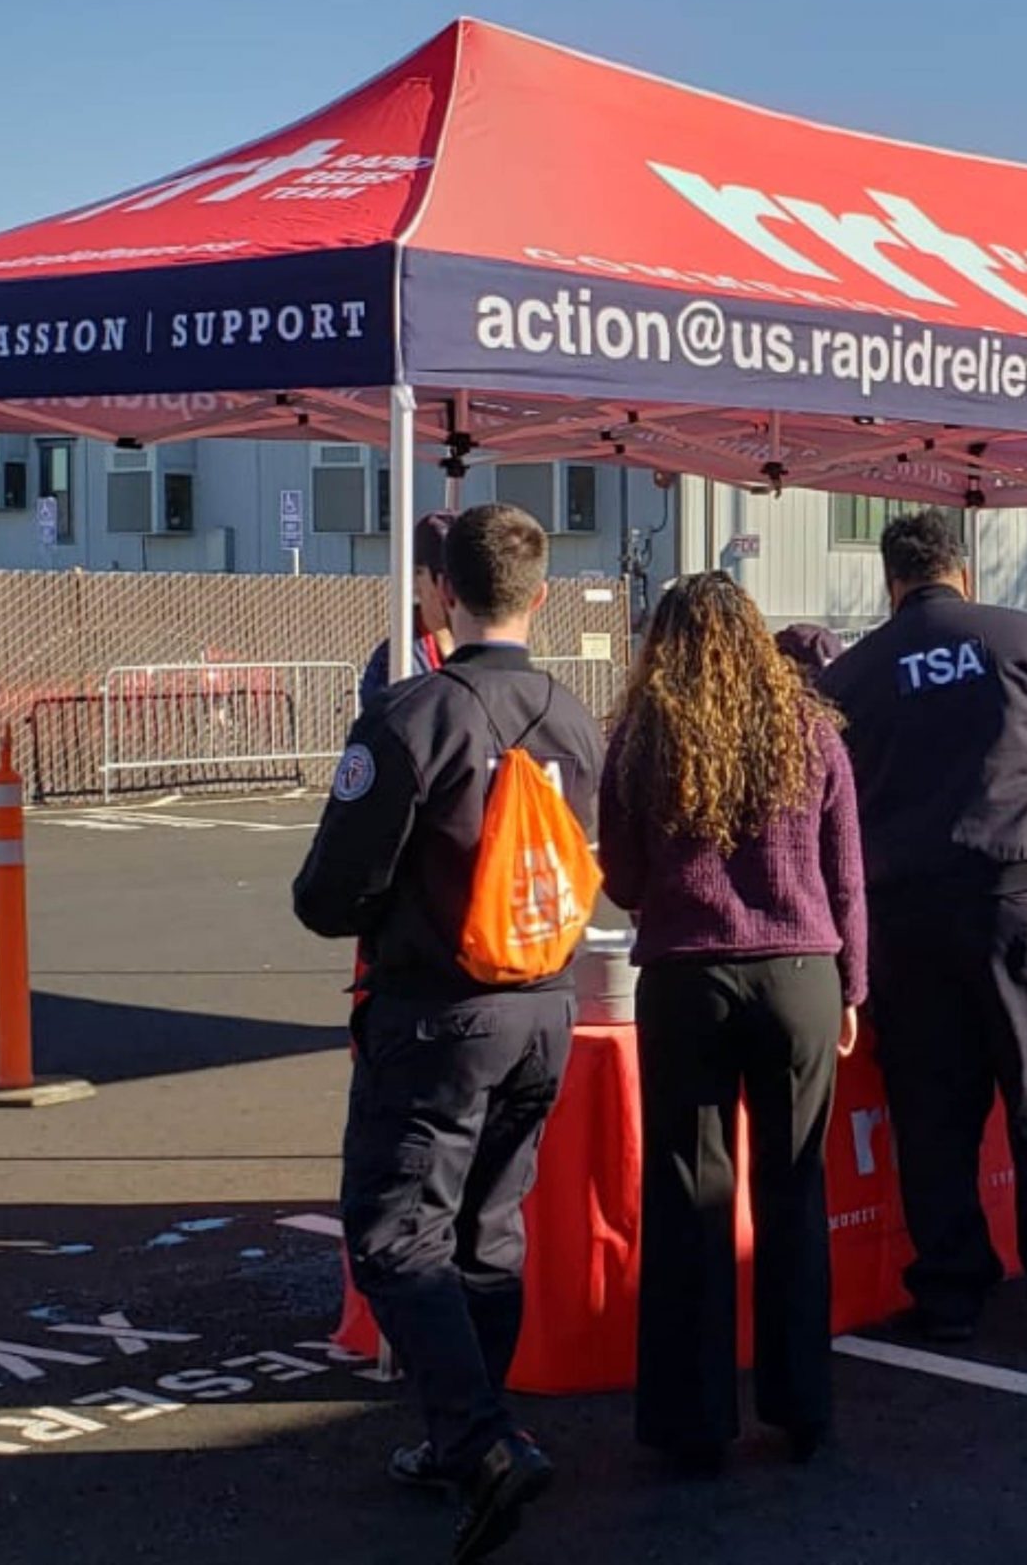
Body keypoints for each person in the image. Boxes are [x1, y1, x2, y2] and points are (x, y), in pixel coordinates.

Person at [293, 503, 604, 1565]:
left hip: (436, 1007)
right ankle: (468, 1426)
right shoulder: (574, 713)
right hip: (547, 1004)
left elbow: (331, 892)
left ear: (438, 593)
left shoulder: (414, 712)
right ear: (540, 594)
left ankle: (479, 1436)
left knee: (390, 1231)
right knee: (489, 1225)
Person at [820, 510, 1027, 1343]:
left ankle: (952, 1290)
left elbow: (831, 810)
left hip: (909, 915)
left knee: (931, 1113)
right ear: (963, 571)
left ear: (889, 582)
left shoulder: (851, 676)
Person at [597, 573, 866, 1475]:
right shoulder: (812, 732)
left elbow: (626, 883)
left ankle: (692, 1423)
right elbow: (846, 876)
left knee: (688, 1197)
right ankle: (806, 1411)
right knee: (794, 1191)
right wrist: (854, 988)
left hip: (686, 976)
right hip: (800, 974)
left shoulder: (641, 737)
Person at [357, 509, 461, 716]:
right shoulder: (397, 662)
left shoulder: (483, 646)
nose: (456, 590)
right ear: (415, 579)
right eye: (445, 578)